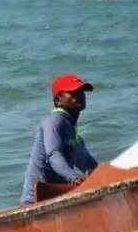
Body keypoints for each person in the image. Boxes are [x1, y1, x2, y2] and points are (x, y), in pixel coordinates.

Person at [20, 73, 99, 205]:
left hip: (58, 197)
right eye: (73, 91)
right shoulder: (54, 122)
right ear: (58, 100)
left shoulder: (74, 137)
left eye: (81, 91)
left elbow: (91, 167)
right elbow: (54, 155)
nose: (79, 95)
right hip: (34, 202)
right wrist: (73, 178)